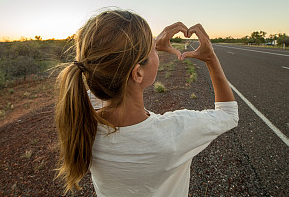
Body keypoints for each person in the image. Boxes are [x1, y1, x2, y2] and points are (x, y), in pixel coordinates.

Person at [55, 10, 238, 196]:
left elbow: (104, 78)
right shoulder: (175, 133)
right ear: (138, 74)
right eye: (153, 51)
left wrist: (149, 46)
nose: (156, 52)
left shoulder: (84, 120)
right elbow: (229, 114)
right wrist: (210, 58)